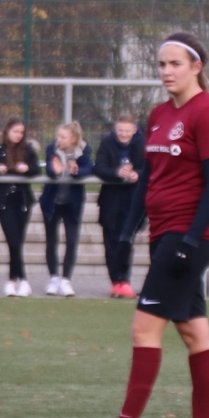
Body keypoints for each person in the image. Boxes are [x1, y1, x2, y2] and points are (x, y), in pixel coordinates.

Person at [88, 31, 209, 418]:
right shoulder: (159, 114)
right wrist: (128, 229)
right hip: (164, 233)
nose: (166, 71)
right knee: (193, 331)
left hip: (187, 237)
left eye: (175, 64)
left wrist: (190, 238)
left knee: (144, 327)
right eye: (162, 64)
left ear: (196, 67)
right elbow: (149, 178)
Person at [0, 117, 41, 296]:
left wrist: (26, 168)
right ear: (7, 131)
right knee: (13, 241)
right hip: (5, 200)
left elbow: (36, 169)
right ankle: (22, 280)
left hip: (22, 200)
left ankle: (13, 281)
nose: (18, 135)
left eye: (21, 132)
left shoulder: (28, 148)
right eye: (15, 132)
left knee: (17, 242)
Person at [94, 115, 146, 298]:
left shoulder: (143, 144)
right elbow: (99, 167)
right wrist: (117, 172)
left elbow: (150, 167)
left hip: (133, 201)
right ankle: (116, 282)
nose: (123, 134)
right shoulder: (107, 143)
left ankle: (124, 280)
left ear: (134, 130)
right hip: (110, 201)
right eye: (120, 130)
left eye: (127, 131)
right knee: (110, 243)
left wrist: (137, 174)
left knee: (126, 241)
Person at [39, 121, 92, 297]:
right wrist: (55, 170)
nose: (59, 139)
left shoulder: (84, 150)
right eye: (58, 136)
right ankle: (54, 278)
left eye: (63, 137)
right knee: (51, 240)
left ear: (73, 139)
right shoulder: (51, 149)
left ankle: (66, 280)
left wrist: (76, 170)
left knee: (71, 241)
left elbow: (89, 168)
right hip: (52, 202)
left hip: (72, 203)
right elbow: (49, 168)